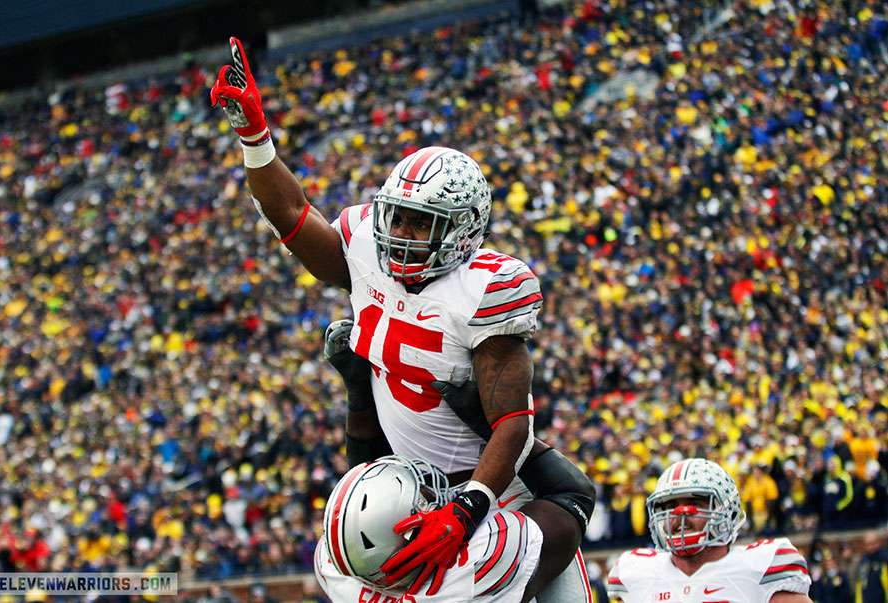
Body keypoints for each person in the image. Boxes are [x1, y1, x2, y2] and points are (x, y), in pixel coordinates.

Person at [211, 37, 595, 598]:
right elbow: (292, 214)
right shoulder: (369, 251)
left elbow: (513, 422)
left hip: (491, 497)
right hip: (405, 490)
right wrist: (255, 137)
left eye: (421, 222)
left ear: (463, 228)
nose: (401, 234)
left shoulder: (484, 289)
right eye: (398, 216)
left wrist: (470, 507)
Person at [314, 455, 583, 602]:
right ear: (411, 533)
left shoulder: (333, 565)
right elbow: (574, 495)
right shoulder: (475, 565)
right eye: (425, 494)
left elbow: (355, 532)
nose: (433, 490)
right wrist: (493, 430)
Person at [607, 458, 813, 602]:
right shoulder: (636, 572)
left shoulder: (762, 567)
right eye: (670, 506)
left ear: (727, 510)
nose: (680, 513)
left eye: (695, 502)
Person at [855, 530, 888, 602]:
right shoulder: (863, 561)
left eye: (873, 543)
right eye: (868, 544)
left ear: (878, 542)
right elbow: (859, 586)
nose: (871, 546)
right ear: (864, 545)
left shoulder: (885, 559)